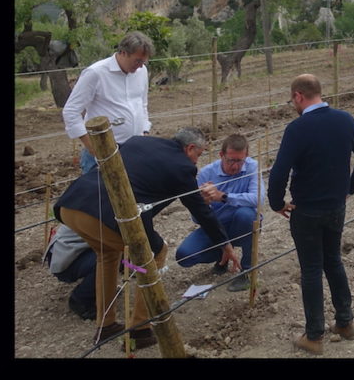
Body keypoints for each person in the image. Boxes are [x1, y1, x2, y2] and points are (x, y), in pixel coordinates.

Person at [54, 127, 241, 351]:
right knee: (156, 253)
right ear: (190, 148)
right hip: (106, 215)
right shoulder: (182, 168)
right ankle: (139, 329)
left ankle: (106, 324)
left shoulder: (137, 142)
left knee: (108, 255)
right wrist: (225, 244)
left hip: (71, 206)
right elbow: (202, 211)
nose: (196, 162)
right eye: (198, 155)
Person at [268, 74, 354, 355]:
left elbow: (279, 171)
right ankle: (345, 323)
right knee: (334, 261)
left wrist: (276, 203)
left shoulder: (297, 129)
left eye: (293, 100)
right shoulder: (345, 119)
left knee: (312, 270)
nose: (294, 104)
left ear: (299, 96)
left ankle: (314, 336)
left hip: (306, 210)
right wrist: (349, 188)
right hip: (336, 206)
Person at [176, 134, 260, 292]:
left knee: (246, 215)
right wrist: (204, 203)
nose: (235, 166)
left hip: (241, 224)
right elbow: (197, 217)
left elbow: (258, 199)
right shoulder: (206, 173)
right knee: (184, 256)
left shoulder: (252, 167)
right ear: (221, 155)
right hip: (217, 226)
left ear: (246, 156)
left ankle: (247, 271)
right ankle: (222, 255)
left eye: (239, 161)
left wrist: (223, 197)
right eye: (231, 160)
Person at [62, 32, 154, 174]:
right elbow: (71, 110)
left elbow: (142, 103)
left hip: (135, 149)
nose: (140, 66)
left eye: (144, 62)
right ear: (123, 52)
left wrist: (145, 130)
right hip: (102, 152)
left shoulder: (141, 72)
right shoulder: (96, 73)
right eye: (137, 61)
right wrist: (92, 147)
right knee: (99, 194)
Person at [43, 223, 97, 320]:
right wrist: (130, 265)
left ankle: (101, 287)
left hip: (70, 252)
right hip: (63, 259)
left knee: (111, 256)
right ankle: (80, 300)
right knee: (105, 260)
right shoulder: (105, 213)